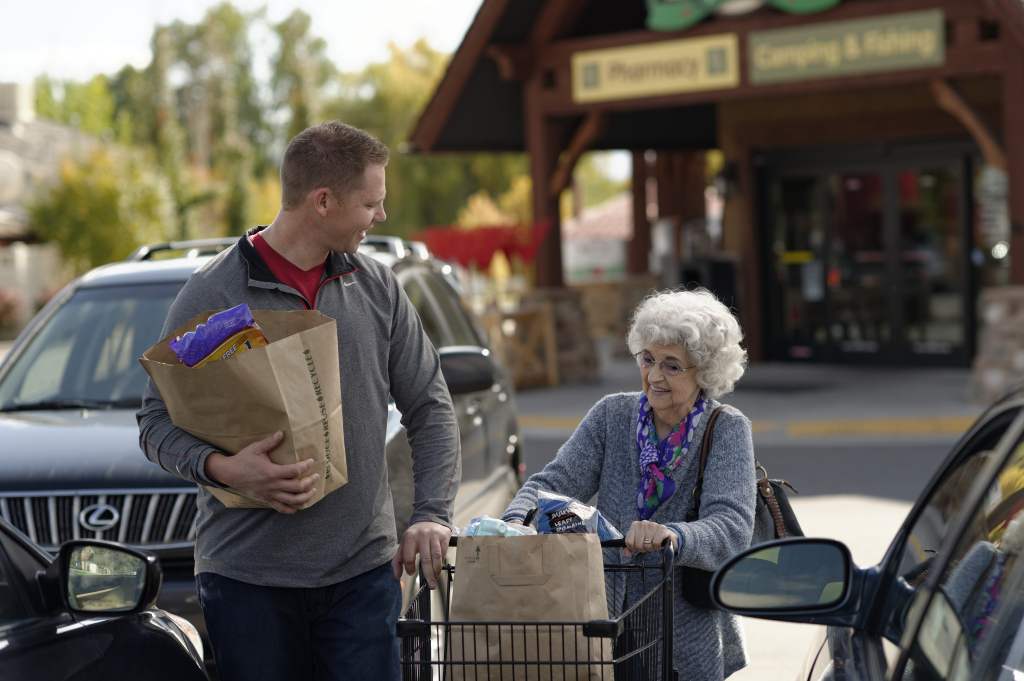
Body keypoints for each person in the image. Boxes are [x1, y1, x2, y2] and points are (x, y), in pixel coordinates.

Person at [137, 121, 460, 681]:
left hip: (363, 576)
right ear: (323, 201)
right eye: (371, 204)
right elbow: (154, 422)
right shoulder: (214, 292)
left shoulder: (378, 286)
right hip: (248, 583)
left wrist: (432, 514)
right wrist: (226, 469)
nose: (380, 217)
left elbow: (431, 406)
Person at [502, 288, 756, 681]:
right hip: (603, 622)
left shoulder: (726, 429)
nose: (654, 376)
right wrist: (518, 521)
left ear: (703, 371)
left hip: (684, 635)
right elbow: (553, 483)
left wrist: (672, 535)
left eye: (672, 366)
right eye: (648, 358)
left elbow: (732, 527)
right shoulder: (611, 415)